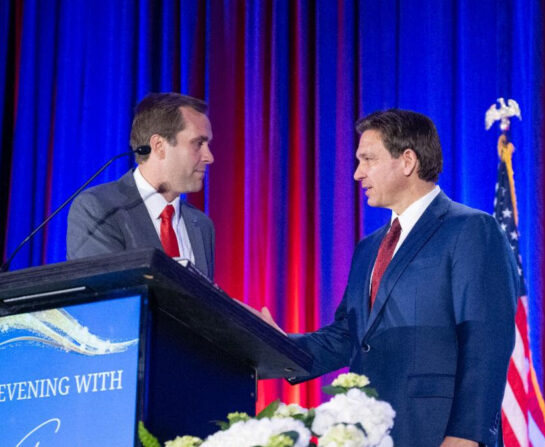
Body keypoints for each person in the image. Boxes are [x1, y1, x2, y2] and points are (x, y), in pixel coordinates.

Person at [263, 109, 517, 446]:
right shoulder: (369, 247)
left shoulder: (471, 229)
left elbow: (486, 341)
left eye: (367, 159)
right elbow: (347, 335)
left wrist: (465, 436)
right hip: (374, 433)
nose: (357, 174)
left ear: (407, 161)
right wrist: (273, 347)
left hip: (438, 434)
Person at [67, 92, 215, 279]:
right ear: (159, 146)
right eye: (198, 143)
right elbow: (105, 297)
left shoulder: (201, 225)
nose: (209, 157)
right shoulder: (101, 209)